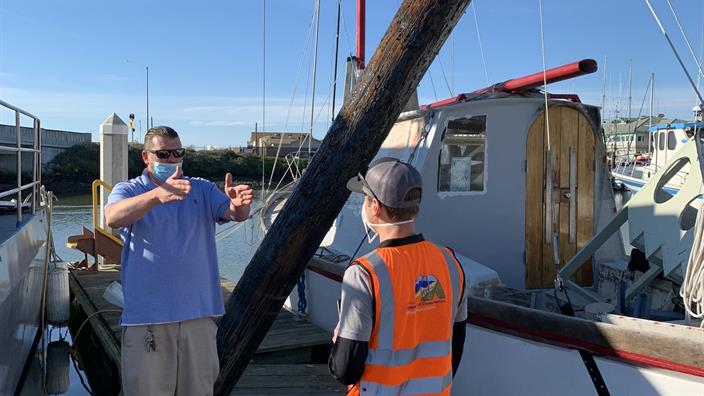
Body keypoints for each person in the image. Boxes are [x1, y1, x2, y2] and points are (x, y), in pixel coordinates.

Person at [104, 126, 253, 396]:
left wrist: (239, 205)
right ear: (146, 157)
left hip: (199, 317)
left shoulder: (203, 188)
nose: (172, 159)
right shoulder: (129, 189)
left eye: (178, 153)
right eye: (163, 153)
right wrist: (156, 196)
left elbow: (233, 213)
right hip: (147, 320)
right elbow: (112, 217)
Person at [329, 158, 467, 395]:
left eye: (365, 198)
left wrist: (338, 342)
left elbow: (345, 370)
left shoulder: (364, 274)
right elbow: (455, 347)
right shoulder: (451, 263)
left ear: (375, 207)